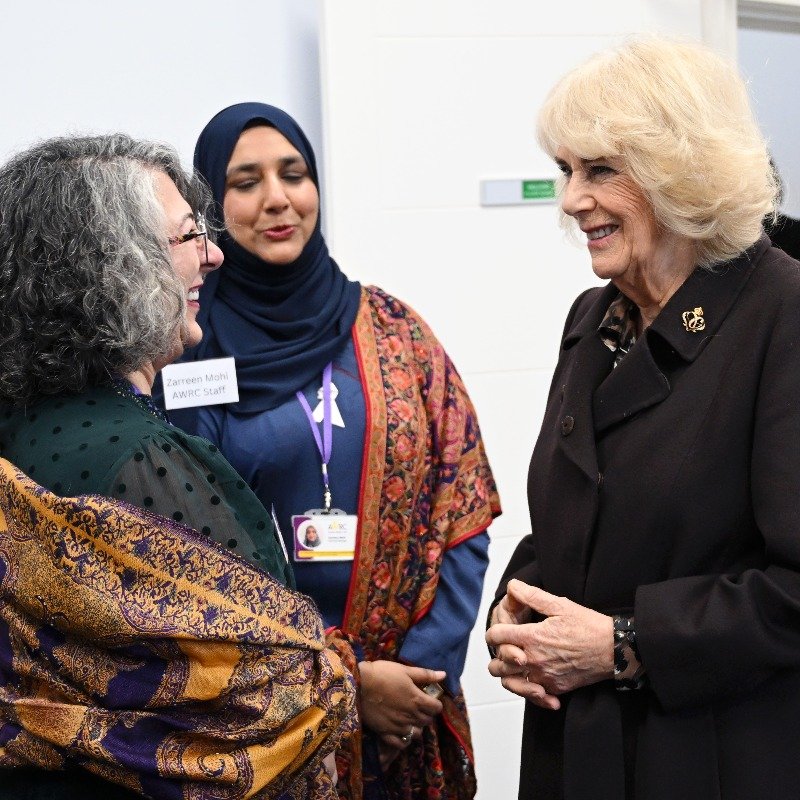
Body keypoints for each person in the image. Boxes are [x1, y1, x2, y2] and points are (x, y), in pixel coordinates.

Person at [485, 37, 800, 800]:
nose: (570, 200)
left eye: (600, 170)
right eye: (566, 171)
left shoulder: (782, 312)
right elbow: (583, 518)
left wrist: (626, 644)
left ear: (678, 168)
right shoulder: (593, 319)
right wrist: (519, 602)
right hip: (576, 753)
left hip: (710, 759)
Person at [158, 102, 501, 800]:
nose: (278, 199)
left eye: (294, 174)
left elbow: (460, 507)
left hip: (406, 711)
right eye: (246, 181)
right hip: (265, 726)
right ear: (211, 207)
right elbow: (191, 556)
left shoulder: (396, 328)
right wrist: (342, 686)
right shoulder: (189, 346)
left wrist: (417, 678)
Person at [0, 134, 354, 799]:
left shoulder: (17, 425)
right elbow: (270, 702)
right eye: (191, 236)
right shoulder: (147, 463)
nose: (214, 255)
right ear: (114, 267)